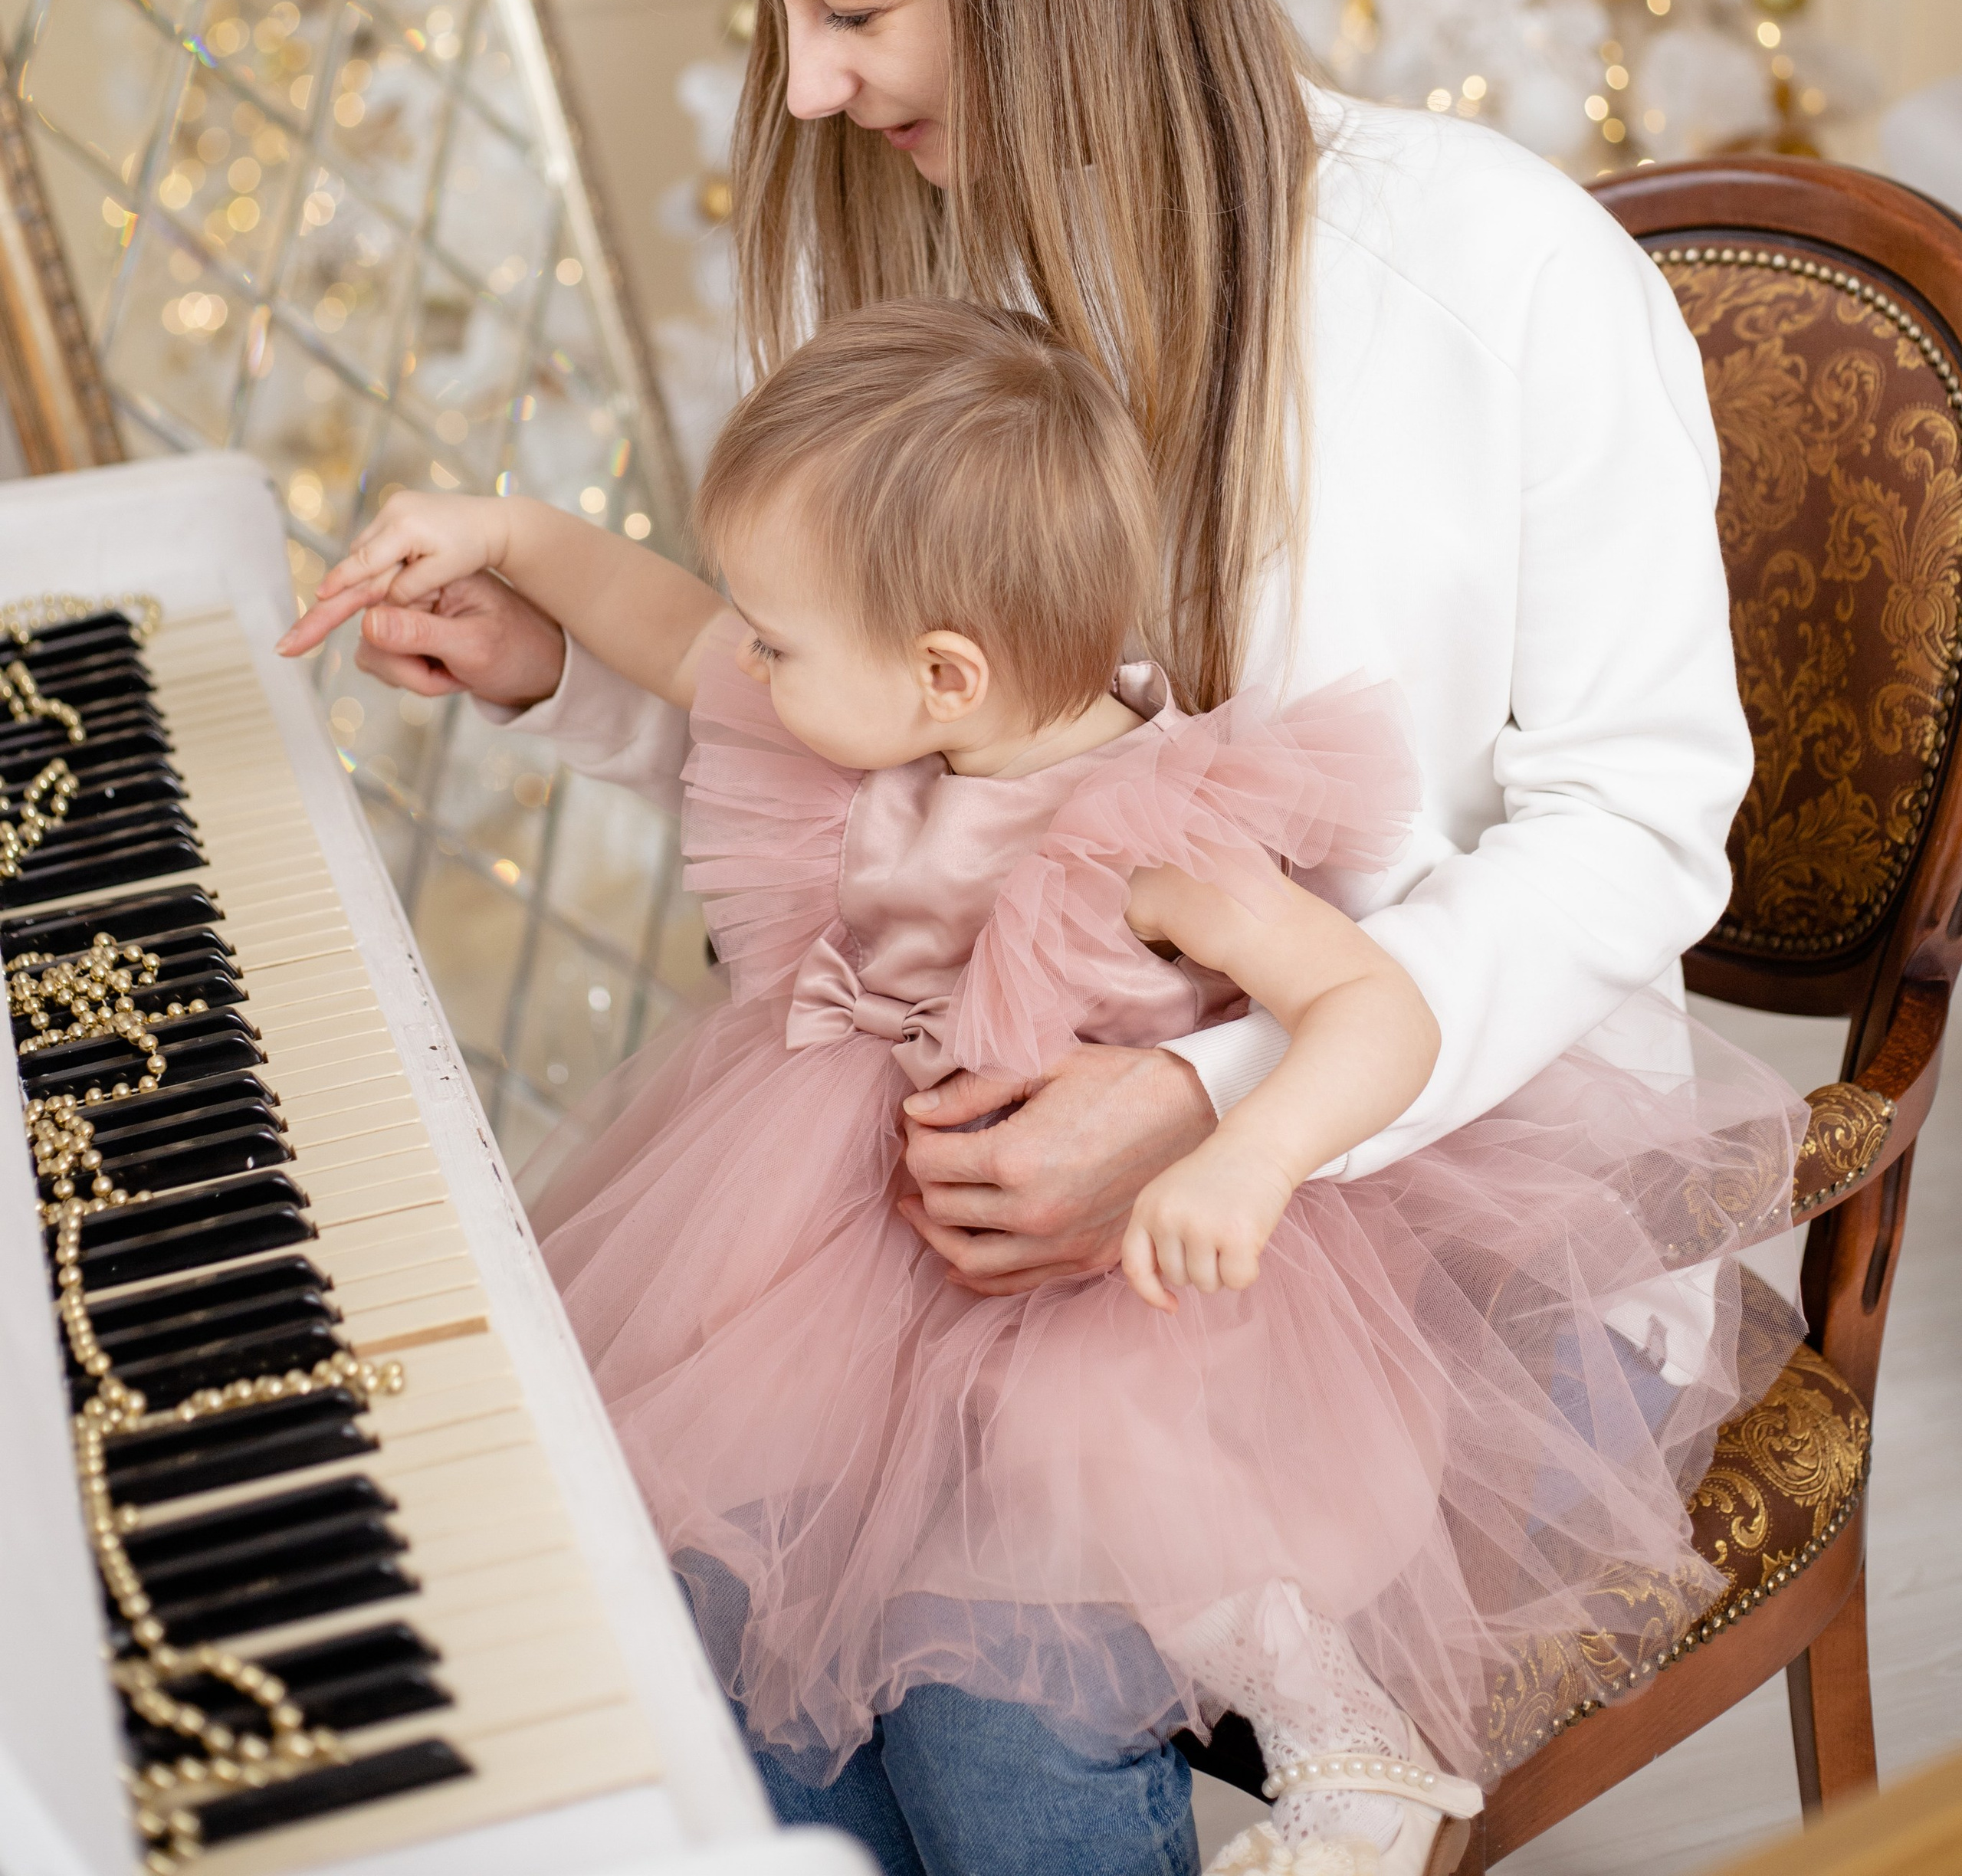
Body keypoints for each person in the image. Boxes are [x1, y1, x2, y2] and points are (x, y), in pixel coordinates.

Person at [332, 0, 1783, 1876]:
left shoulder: (1496, 274)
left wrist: (1205, 1106)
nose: (806, 84)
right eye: (781, 9)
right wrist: (568, 677)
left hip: (1433, 1231)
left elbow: (1640, 834)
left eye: (845, 7)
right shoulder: (929, 296)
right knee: (711, 1658)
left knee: (983, 1712)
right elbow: (889, 772)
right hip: (992, 1228)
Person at [282, 303, 1800, 1876]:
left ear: (943, 671)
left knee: (1094, 1513)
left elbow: (1370, 1006)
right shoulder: (904, 743)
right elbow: (660, 623)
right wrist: (507, 534)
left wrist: (1244, 1149)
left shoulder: (1158, 835)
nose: (740, 659)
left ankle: (1341, 1733)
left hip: (1126, 1305)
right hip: (882, 1257)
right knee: (691, 1592)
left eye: (776, 641)